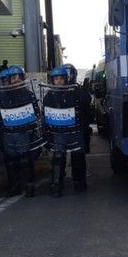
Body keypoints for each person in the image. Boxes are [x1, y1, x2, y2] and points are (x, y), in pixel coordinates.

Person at [0, 66, 42, 197]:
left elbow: (36, 112)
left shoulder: (27, 94)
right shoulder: (0, 96)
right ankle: (14, 187)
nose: (16, 80)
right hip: (7, 133)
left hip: (23, 132)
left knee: (25, 160)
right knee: (11, 161)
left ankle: (29, 187)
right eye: (13, 78)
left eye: (19, 77)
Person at [42, 66, 88, 196]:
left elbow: (86, 101)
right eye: (56, 79)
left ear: (66, 79)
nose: (59, 81)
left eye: (61, 78)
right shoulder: (49, 96)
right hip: (58, 132)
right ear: (52, 80)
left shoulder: (74, 91)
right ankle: (57, 183)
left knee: (78, 156)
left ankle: (79, 182)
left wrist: (77, 88)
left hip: (75, 131)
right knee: (58, 157)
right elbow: (45, 115)